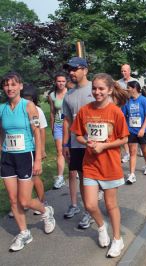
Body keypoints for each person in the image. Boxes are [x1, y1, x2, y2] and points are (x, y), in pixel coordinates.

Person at [71, 73, 129, 258]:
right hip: (90, 165)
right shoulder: (85, 110)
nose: (97, 92)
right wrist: (86, 142)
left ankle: (118, 239)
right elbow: (78, 134)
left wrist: (104, 145)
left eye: (101, 88)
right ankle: (102, 227)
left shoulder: (115, 112)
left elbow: (124, 138)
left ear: (110, 90)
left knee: (111, 204)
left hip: (110, 165)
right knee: (89, 204)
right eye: (94, 88)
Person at [0, 72, 55, 251]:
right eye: (6, 85)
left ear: (20, 86)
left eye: (13, 84)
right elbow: (2, 132)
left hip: (25, 155)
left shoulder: (29, 106)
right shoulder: (1, 108)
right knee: (13, 199)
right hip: (8, 156)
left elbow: (38, 133)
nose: (10, 88)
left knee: (24, 201)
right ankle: (24, 233)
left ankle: (46, 212)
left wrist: (38, 158)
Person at [62, 57, 95, 228]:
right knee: (83, 178)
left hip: (96, 144)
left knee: (99, 180)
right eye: (70, 70)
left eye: (75, 69)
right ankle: (88, 211)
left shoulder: (95, 90)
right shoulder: (68, 95)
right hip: (76, 144)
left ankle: (98, 205)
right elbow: (67, 121)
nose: (71, 72)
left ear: (85, 70)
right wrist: (65, 144)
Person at [20, 84, 48, 216]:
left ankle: (42, 202)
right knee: (21, 179)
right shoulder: (18, 109)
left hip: (33, 148)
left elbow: (41, 131)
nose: (27, 100)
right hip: (20, 149)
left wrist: (41, 150)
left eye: (29, 98)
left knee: (35, 177)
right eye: (24, 97)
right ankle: (24, 203)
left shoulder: (37, 111)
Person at [121, 81, 146, 184]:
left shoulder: (143, 100)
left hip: (143, 130)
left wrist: (143, 129)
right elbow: (123, 115)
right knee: (132, 152)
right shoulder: (127, 102)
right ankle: (132, 174)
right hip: (131, 130)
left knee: (144, 150)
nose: (127, 89)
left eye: (128, 88)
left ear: (134, 88)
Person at [48, 73, 68, 189]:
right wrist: (53, 126)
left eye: (63, 81)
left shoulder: (70, 93)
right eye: (59, 81)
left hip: (70, 125)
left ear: (66, 82)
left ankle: (74, 172)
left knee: (70, 150)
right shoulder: (52, 95)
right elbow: (52, 112)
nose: (61, 83)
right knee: (59, 152)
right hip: (59, 125)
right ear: (55, 82)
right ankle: (60, 177)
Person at [117, 64, 138, 163]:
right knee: (122, 131)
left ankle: (138, 146)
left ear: (129, 71)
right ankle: (127, 153)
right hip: (121, 109)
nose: (123, 73)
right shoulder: (118, 83)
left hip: (133, 110)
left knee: (133, 130)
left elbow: (138, 94)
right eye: (122, 71)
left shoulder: (135, 81)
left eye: (125, 71)